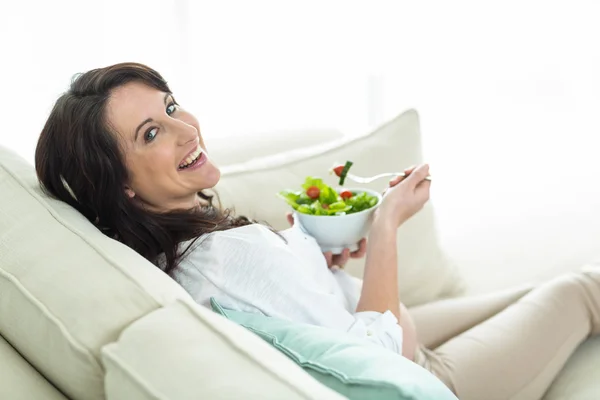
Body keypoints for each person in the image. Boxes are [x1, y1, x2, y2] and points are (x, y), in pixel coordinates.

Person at [35, 62, 600, 400]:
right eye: (153, 132)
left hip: (400, 321)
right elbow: (376, 361)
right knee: (581, 291)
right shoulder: (226, 256)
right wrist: (385, 228)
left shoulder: (176, 255)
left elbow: (293, 318)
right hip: (421, 367)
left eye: (173, 106)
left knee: (535, 293)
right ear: (120, 186)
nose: (187, 130)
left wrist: (311, 254)